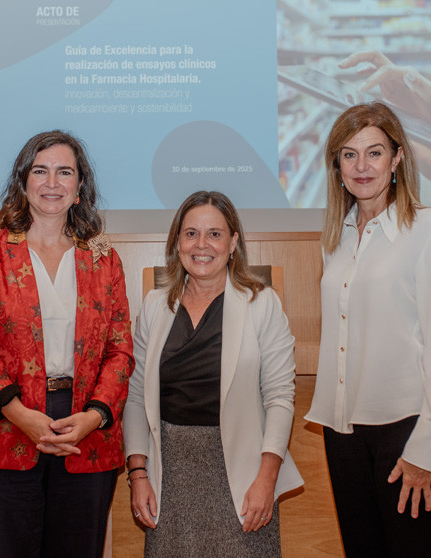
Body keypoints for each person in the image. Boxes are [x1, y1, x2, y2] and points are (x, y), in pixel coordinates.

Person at [0, 130, 134, 558]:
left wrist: (94, 416)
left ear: (79, 186)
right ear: (23, 181)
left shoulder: (103, 258)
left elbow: (120, 350)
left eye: (64, 172)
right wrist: (18, 413)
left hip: (85, 435)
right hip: (1, 430)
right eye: (40, 171)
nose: (52, 182)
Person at [305, 102, 431, 557]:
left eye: (374, 153)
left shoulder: (429, 230)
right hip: (344, 429)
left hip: (406, 430)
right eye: (349, 155)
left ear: (396, 159)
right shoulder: (336, 238)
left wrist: (428, 449)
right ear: (336, 166)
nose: (362, 166)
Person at [123, 190, 303, 557]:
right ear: (177, 242)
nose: (201, 244)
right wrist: (137, 474)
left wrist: (267, 479)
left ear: (233, 241)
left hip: (243, 476)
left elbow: (281, 398)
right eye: (190, 233)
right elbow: (137, 394)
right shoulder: (155, 306)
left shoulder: (262, 304)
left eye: (215, 234)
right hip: (168, 477)